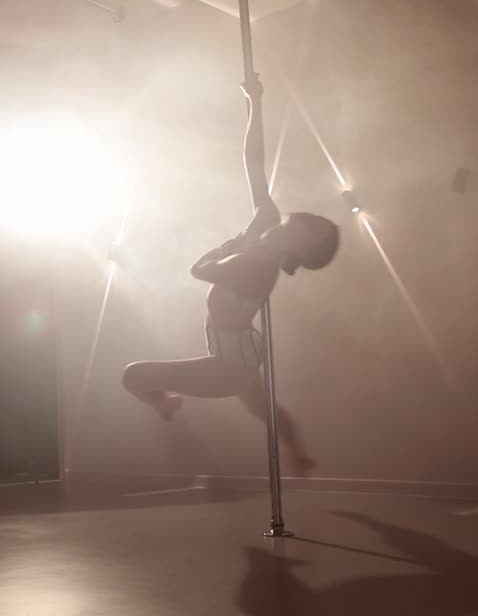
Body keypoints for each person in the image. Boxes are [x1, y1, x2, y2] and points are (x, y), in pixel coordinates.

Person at [120, 200, 338, 476]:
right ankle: (299, 454)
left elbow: (198, 269)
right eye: (315, 218)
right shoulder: (258, 253)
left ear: (300, 248)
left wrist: (236, 243)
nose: (310, 217)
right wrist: (249, 232)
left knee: (133, 376)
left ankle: (163, 403)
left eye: (315, 227)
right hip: (239, 357)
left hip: (229, 368)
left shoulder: (252, 265)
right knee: (264, 409)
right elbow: (262, 200)